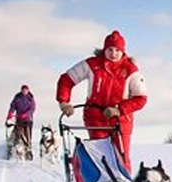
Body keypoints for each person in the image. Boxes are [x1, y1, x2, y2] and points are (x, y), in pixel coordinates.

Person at [56, 30, 148, 173]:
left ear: (123, 52)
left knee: (121, 158)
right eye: (110, 49)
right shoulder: (92, 65)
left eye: (117, 50)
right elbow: (66, 80)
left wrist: (119, 109)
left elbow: (141, 98)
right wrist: (64, 101)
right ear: (104, 49)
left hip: (121, 120)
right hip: (96, 118)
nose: (113, 53)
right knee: (100, 156)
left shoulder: (130, 70)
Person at [6, 84, 36, 159]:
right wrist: (10, 112)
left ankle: (28, 150)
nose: (24, 91)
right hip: (19, 119)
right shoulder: (17, 97)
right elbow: (13, 105)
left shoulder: (30, 98)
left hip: (28, 120)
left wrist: (26, 114)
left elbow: (32, 108)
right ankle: (13, 147)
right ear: (21, 90)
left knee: (27, 134)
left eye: (26, 90)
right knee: (17, 132)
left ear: (28, 90)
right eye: (23, 90)